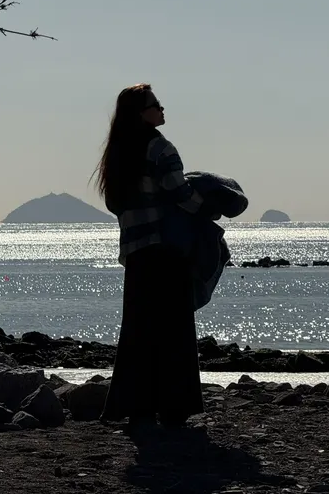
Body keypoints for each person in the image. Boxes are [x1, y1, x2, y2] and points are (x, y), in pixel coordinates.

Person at [94, 83, 205, 430]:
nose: (162, 110)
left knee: (139, 330)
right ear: (142, 113)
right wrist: (208, 209)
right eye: (156, 105)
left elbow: (115, 203)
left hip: (136, 252)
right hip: (166, 248)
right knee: (174, 329)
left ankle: (137, 407)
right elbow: (180, 193)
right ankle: (174, 407)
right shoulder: (160, 148)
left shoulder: (116, 155)